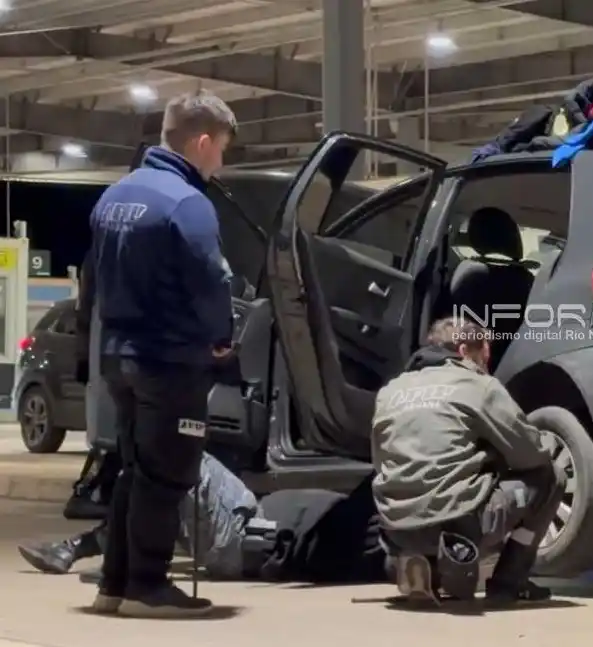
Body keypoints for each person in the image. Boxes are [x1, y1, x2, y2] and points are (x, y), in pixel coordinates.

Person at [81, 91, 237, 618]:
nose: (221, 161)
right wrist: (221, 336)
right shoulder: (187, 203)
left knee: (133, 468)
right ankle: (148, 585)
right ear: (200, 142)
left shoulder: (115, 195)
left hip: (116, 355)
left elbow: (90, 280)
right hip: (169, 360)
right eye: (220, 149)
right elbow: (211, 280)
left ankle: (114, 584)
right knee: (168, 473)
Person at [372, 317, 566, 605]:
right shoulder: (478, 384)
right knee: (550, 476)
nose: (485, 367)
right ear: (464, 350)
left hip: (395, 528)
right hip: (458, 521)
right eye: (484, 358)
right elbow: (532, 453)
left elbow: (380, 461)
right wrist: (496, 458)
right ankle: (507, 582)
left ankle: (424, 564)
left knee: (432, 485)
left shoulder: (390, 391)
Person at [18, 453, 386, 585]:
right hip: (242, 536)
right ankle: (81, 550)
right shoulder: (364, 525)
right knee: (168, 495)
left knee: (182, 451)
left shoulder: (366, 530)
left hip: (243, 537)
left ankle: (106, 558)